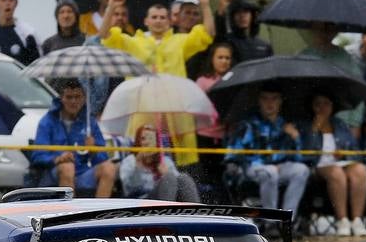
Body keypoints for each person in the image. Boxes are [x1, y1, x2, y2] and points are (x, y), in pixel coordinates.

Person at [225, 86, 309, 215]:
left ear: (280, 101)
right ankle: (271, 221)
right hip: (252, 168)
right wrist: (268, 164)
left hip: (280, 168)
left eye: (274, 99)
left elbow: (299, 158)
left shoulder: (286, 125)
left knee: (302, 170)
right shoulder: (248, 124)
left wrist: (295, 137)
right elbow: (232, 155)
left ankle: (288, 219)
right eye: (265, 99)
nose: (270, 103)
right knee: (270, 172)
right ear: (259, 101)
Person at [30, 80, 116, 197]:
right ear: (61, 98)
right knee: (67, 167)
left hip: (83, 173)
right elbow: (37, 156)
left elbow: (103, 158)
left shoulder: (90, 122)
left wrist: (93, 150)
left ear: (84, 98)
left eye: (77, 97)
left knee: (109, 168)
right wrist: (58, 159)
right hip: (53, 175)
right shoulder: (47, 121)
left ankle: (99, 212)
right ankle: (71, 212)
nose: (73, 101)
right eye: (69, 97)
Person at [301, 92, 366, 236]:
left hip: (341, 163)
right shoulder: (305, 125)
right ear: (312, 106)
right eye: (318, 104)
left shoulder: (339, 124)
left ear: (332, 106)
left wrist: (344, 153)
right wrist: (314, 129)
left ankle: (357, 219)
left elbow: (356, 151)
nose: (322, 107)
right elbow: (304, 154)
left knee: (360, 170)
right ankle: (342, 220)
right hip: (317, 166)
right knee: (336, 173)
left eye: (326, 103)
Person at [104, 0, 214, 76]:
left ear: (169, 21)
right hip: (142, 99)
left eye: (162, 17)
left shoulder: (180, 41)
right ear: (146, 21)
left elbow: (207, 34)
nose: (158, 20)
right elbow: (105, 35)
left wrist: (205, 5)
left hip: (172, 99)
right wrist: (110, 7)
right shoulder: (132, 42)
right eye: (154, 17)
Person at [301, 22, 365, 134]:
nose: (325, 31)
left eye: (330, 27)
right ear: (313, 28)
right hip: (309, 123)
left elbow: (358, 90)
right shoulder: (302, 57)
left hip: (342, 124)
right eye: (321, 27)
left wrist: (355, 124)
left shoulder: (346, 58)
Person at [194, 42, 235, 198]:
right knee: (207, 180)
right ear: (212, 59)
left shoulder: (234, 80)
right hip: (205, 137)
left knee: (223, 180)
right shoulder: (203, 81)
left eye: (227, 58)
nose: (224, 61)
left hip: (226, 138)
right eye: (220, 57)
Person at [120, 123, 199, 202]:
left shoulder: (165, 161)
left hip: (166, 197)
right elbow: (129, 189)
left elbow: (179, 184)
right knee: (168, 178)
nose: (147, 142)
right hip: (141, 200)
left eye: (151, 138)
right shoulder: (130, 161)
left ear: (157, 143)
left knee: (184, 178)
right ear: (138, 141)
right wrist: (138, 164)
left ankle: (195, 210)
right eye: (143, 138)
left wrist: (166, 173)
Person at [84, 0, 132, 113]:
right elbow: (84, 78)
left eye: (124, 14)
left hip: (126, 106)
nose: (120, 17)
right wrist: (94, 107)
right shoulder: (94, 43)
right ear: (108, 17)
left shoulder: (133, 41)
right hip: (102, 106)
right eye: (116, 14)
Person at [216, 0, 273, 65]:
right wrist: (220, 12)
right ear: (232, 17)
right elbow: (219, 35)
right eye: (238, 12)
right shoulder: (227, 42)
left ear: (252, 16)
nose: (242, 16)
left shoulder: (264, 46)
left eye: (246, 12)